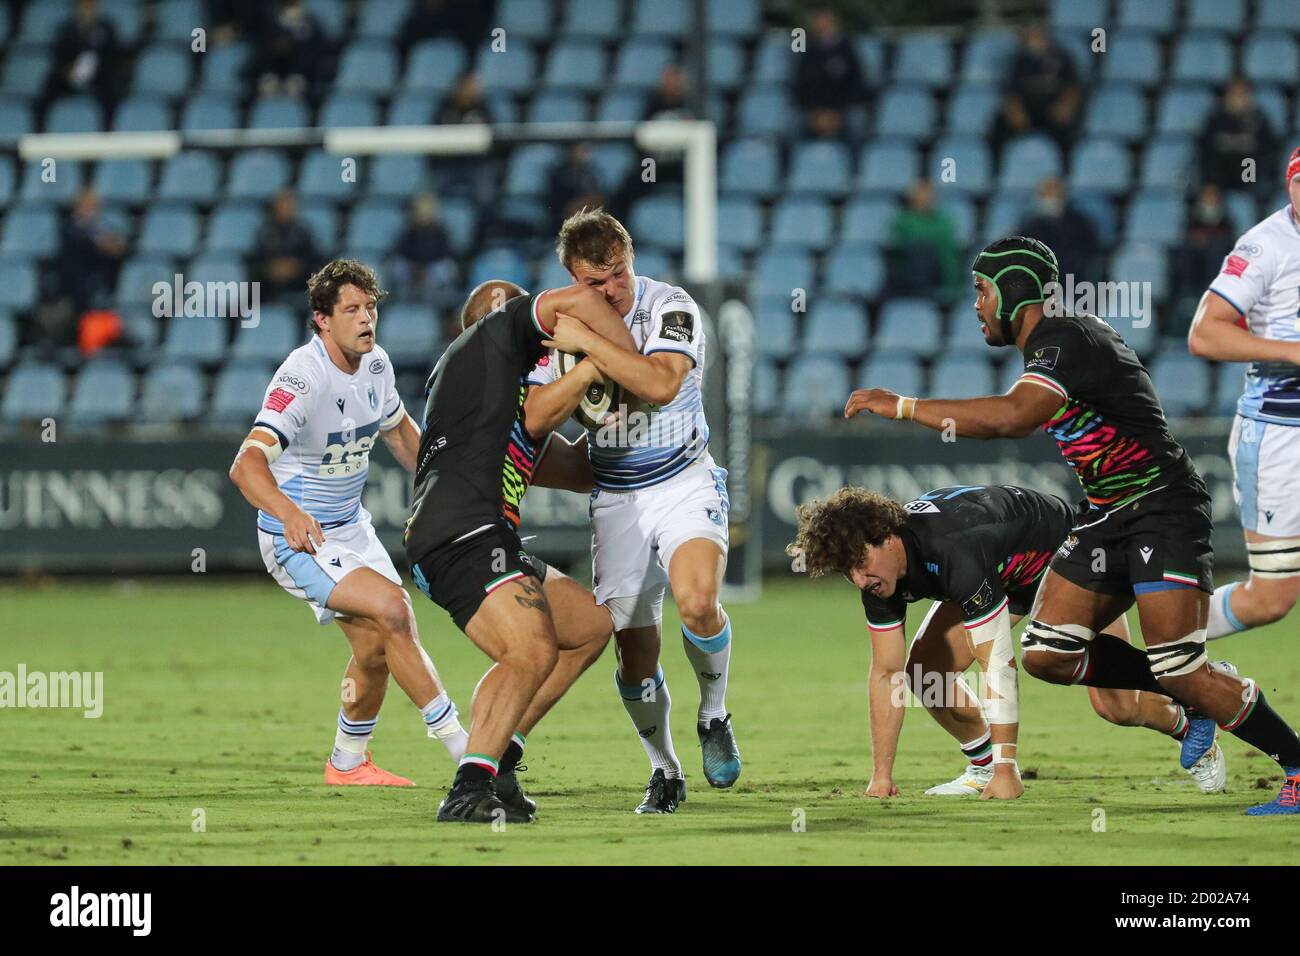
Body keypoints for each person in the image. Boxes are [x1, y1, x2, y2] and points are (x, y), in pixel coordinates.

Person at [845, 235, 1300, 816]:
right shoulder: (1049, 348)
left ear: (1013, 292)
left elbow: (1014, 416)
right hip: (1105, 516)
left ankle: (1292, 761)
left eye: (982, 291)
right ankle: (1194, 686)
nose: (976, 305)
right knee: (1046, 655)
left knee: (1178, 668)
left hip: (1162, 508)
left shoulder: (1068, 336)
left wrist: (904, 406)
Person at [788, 485, 1225, 799]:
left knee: (1117, 706)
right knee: (923, 673)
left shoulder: (954, 549)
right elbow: (886, 673)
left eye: (862, 565)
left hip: (1077, 558)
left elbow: (995, 662)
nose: (861, 580)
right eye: (849, 573)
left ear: (886, 537)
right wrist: (881, 777)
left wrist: (1008, 769)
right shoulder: (878, 575)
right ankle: (980, 766)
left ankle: (1195, 705)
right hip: (1009, 574)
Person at [525, 208, 740, 814]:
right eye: (594, 284)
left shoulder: (670, 306)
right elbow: (538, 419)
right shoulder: (552, 330)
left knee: (698, 602)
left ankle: (714, 713)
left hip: (683, 480)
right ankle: (665, 769)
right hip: (616, 498)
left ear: (631, 259)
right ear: (571, 278)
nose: (611, 290)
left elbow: (662, 382)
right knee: (634, 652)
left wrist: (588, 346)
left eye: (618, 274)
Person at [228, 259, 469, 788]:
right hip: (297, 538)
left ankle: (347, 763)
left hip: (350, 528)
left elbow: (404, 436)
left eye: (372, 308)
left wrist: (455, 487)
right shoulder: (302, 376)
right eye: (352, 310)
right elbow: (245, 465)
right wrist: (288, 513)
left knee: (375, 647)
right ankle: (469, 754)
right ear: (322, 319)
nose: (367, 319)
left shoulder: (377, 365)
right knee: (393, 608)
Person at [404, 279, 635, 823]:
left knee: (587, 629)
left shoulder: (494, 400)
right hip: (463, 533)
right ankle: (469, 787)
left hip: (477, 537)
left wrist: (622, 424)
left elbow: (577, 471)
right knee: (531, 651)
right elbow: (577, 304)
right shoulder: (490, 341)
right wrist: (614, 361)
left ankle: (499, 755)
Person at [1189, 147, 1300, 643]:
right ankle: (1163, 643)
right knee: (1271, 599)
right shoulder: (1265, 246)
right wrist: (1294, 352)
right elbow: (1204, 334)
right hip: (1281, 434)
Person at [994, 26, 1081, 148]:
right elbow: (1010, 94)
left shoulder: (1063, 57)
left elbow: (1072, 89)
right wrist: (1016, 113)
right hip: (1025, 112)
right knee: (999, 129)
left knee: (1068, 132)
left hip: (1053, 112)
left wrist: (1065, 107)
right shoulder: (1017, 60)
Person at [793, 7, 864, 139]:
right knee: (793, 123)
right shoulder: (806, 50)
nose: (821, 24)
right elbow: (801, 84)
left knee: (856, 122)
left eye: (825, 20)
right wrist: (815, 113)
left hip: (841, 110)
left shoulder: (847, 49)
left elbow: (855, 83)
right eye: (818, 20)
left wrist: (837, 114)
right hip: (813, 110)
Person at [1198, 78, 1278, 195]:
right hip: (1220, 179)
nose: (1238, 99)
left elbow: (1269, 151)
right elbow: (1205, 150)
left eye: (1242, 94)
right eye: (1234, 94)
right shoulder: (1215, 120)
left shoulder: (1259, 120)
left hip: (1251, 178)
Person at [886, 179, 962, 299]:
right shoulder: (903, 220)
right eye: (919, 196)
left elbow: (946, 253)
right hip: (907, 272)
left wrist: (952, 283)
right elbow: (900, 244)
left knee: (924, 252)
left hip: (937, 273)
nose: (925, 200)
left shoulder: (943, 221)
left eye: (928, 196)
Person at [1016, 177, 1100, 283]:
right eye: (1046, 195)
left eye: (1054, 196)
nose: (1050, 201)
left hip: (1075, 280)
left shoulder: (1079, 223)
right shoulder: (1031, 225)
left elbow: (1092, 250)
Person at [251, 190, 319, 304]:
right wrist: (270, 268)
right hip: (269, 284)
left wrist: (297, 267)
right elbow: (256, 259)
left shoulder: (303, 232)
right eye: (282, 206)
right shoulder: (264, 232)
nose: (286, 209)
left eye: (290, 206)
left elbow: (314, 259)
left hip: (299, 283)